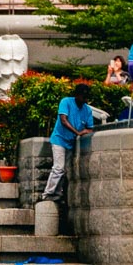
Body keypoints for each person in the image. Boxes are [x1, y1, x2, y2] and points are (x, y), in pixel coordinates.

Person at [42, 79, 97, 232]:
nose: (84, 100)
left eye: (86, 98)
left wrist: (84, 132)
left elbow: (90, 128)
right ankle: (48, 193)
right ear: (77, 95)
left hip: (71, 143)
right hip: (59, 139)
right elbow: (63, 120)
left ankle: (57, 194)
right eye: (82, 97)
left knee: (65, 170)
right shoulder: (66, 102)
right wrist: (77, 132)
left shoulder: (87, 110)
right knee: (58, 168)